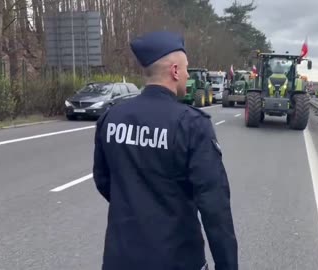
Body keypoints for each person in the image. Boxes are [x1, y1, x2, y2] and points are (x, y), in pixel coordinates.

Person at [92, 31, 238, 270]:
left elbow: (103, 180)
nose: (188, 75)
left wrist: (136, 203)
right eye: (187, 69)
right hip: (176, 258)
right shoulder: (191, 124)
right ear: (175, 71)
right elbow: (215, 208)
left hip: (121, 257)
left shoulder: (111, 117)